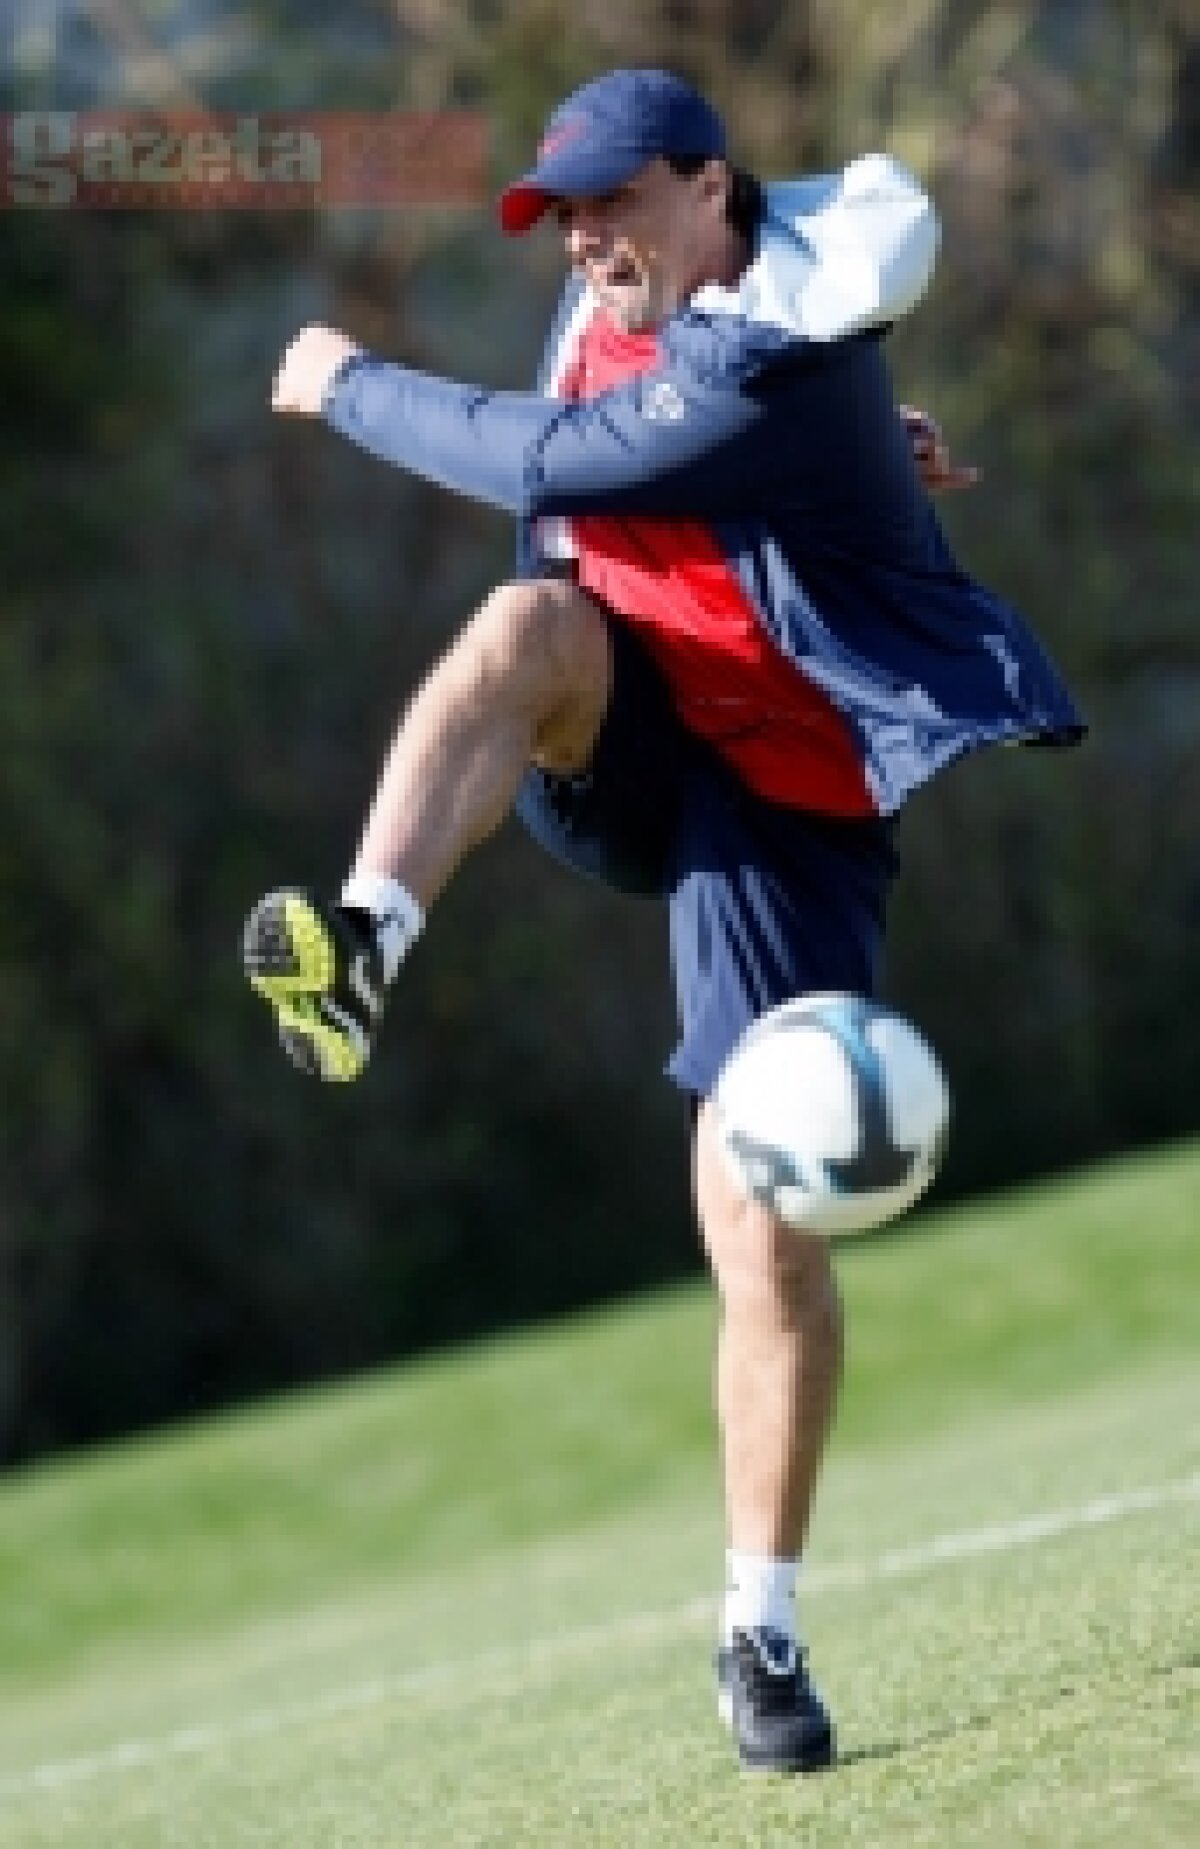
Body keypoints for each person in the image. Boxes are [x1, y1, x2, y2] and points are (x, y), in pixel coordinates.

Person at [243, 69, 1083, 1774]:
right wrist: (864, 467)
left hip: (787, 805)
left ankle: (757, 1626)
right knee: (518, 631)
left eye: (616, 199)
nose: (584, 236)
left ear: (714, 187)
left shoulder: (778, 341)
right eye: (562, 208)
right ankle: (358, 950)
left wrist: (347, 383)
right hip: (631, 726)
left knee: (761, 1230)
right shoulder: (629, 295)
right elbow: (592, 485)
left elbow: (559, 452)